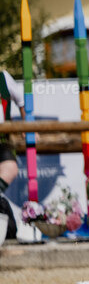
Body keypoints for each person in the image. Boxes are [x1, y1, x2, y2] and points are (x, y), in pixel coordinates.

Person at [0, 69, 26, 239]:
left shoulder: (4, 77)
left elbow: (22, 101)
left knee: (10, 168)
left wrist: (27, 126)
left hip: (2, 138)